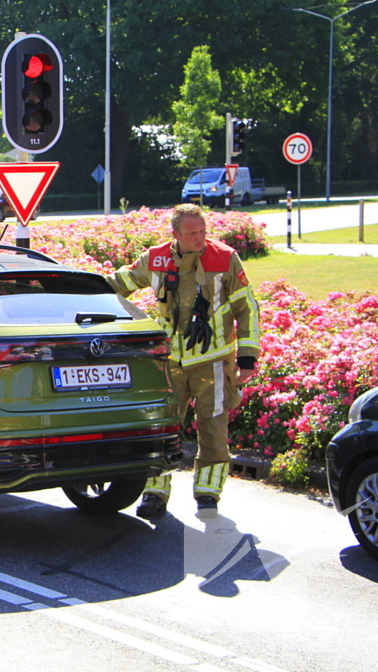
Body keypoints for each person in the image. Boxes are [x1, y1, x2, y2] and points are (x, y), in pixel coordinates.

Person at [106, 204, 260, 519]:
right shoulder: (156, 258)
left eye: (203, 231)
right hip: (168, 362)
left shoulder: (225, 258)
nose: (200, 238)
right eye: (193, 233)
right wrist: (79, 290)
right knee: (161, 426)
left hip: (214, 362)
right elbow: (119, 284)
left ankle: (208, 495)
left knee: (213, 428)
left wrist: (247, 357)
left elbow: (247, 308)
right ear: (175, 234)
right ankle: (154, 493)